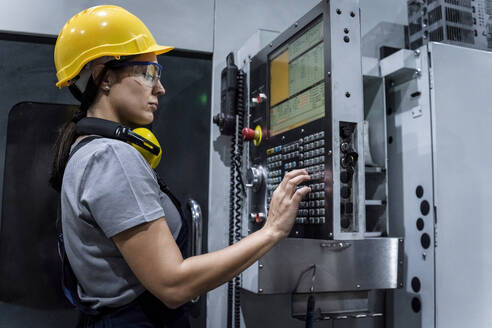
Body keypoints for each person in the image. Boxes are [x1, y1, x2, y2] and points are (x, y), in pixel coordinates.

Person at [49, 5, 311, 327]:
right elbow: (173, 285)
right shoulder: (112, 158)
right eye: (148, 73)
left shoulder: (83, 149)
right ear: (104, 76)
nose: (160, 88)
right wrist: (271, 231)